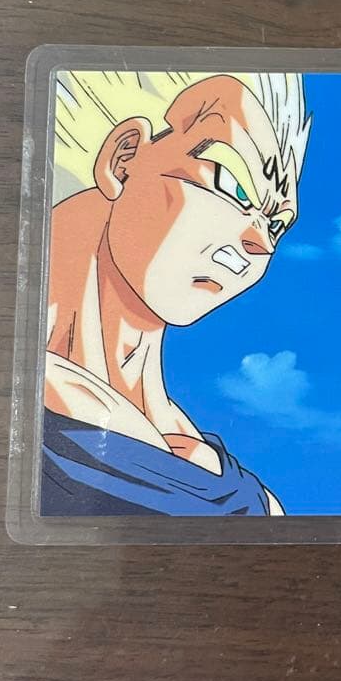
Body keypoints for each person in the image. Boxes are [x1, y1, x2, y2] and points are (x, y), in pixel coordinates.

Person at [42, 69, 310, 516]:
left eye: (276, 224)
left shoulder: (256, 501)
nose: (261, 243)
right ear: (123, 158)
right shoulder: (18, 412)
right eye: (231, 184)